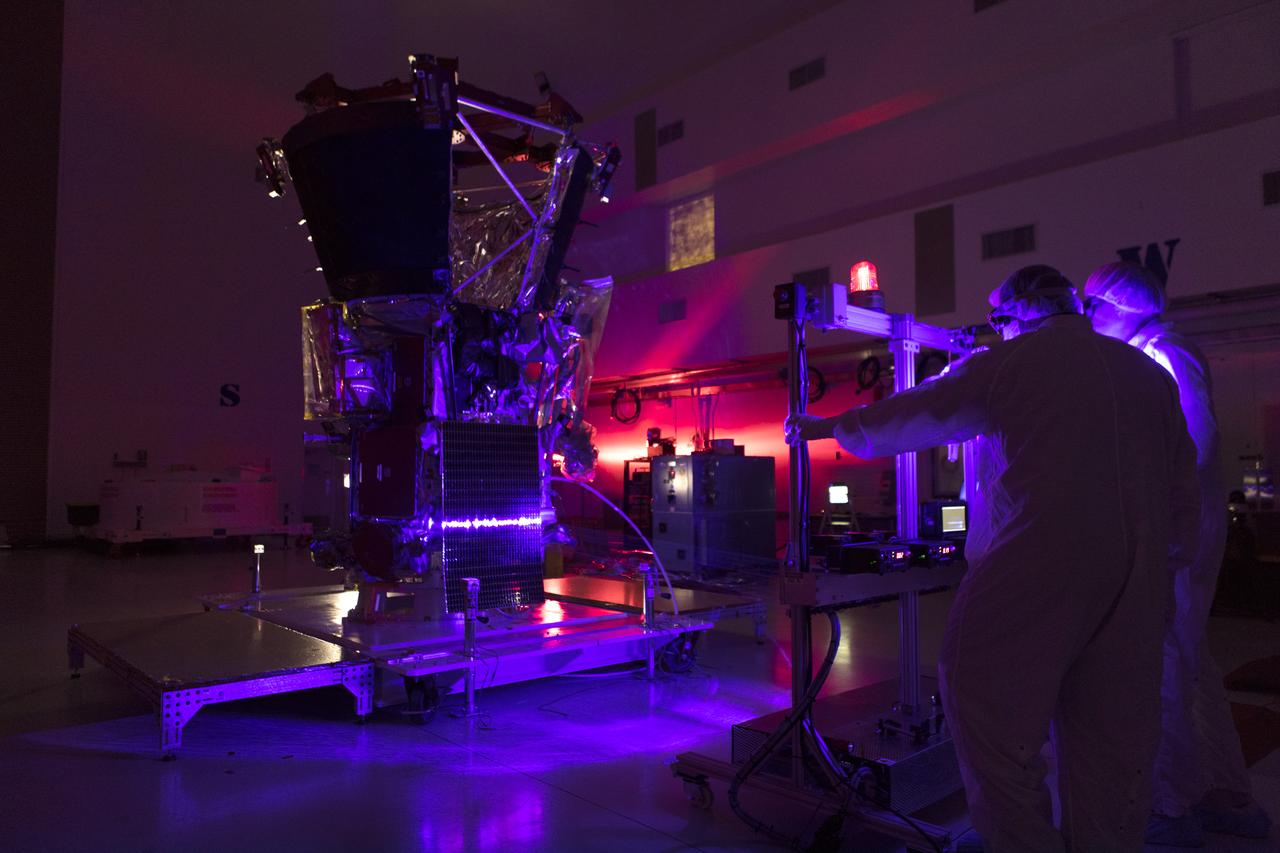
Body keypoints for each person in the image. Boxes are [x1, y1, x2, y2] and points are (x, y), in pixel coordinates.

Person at [785, 265, 1200, 852]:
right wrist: (1165, 564)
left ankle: (1023, 843)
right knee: (1113, 745)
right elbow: (1184, 488)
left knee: (987, 714)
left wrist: (826, 426)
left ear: (1019, 314)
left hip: (1035, 568)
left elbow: (915, 413)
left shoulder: (1009, 362)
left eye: (999, 321)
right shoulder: (1145, 374)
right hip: (1137, 582)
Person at [1083, 261, 1273, 845]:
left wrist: (1147, 515)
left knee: (1163, 662)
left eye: (1095, 306)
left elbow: (1194, 443)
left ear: (1120, 307)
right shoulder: (1159, 350)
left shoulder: (1162, 353)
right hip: (1179, 529)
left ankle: (1170, 809)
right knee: (1190, 663)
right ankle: (1224, 794)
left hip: (1175, 536)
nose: (1088, 317)